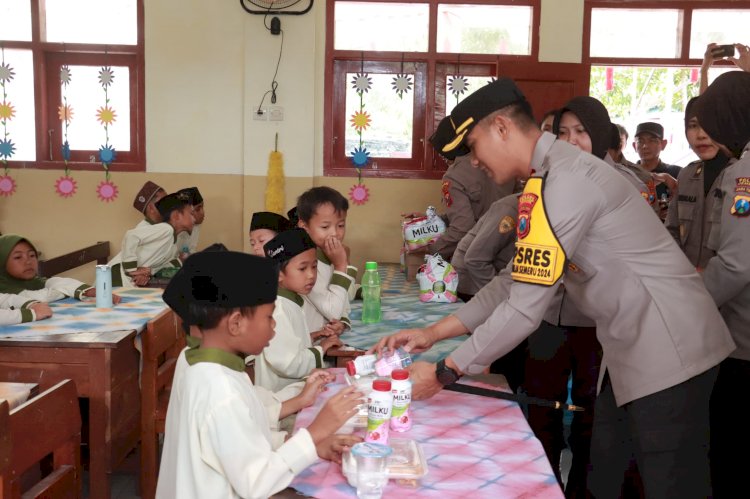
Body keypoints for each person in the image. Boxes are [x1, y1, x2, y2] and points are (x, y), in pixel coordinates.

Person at [372, 78, 734, 498]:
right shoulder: (546, 180)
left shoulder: (567, 182)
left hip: (672, 350)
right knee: (606, 480)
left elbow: (525, 308)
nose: (473, 162)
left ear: (502, 128)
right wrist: (433, 334)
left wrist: (445, 370)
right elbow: (513, 279)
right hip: (633, 351)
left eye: (473, 146)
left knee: (666, 486)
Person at [155, 250, 363, 499]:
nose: (274, 325)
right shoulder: (221, 390)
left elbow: (239, 434)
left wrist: (312, 447)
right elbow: (257, 482)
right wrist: (316, 432)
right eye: (268, 317)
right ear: (235, 324)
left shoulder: (197, 360)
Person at [694, 70, 750, 498]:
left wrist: (688, 305)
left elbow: (734, 264)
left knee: (729, 453)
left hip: (742, 342)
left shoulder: (743, 174)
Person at [254, 228, 343, 392]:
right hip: (281, 400)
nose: (311, 275)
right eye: (302, 268)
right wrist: (321, 348)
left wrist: (311, 337)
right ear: (279, 274)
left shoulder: (291, 300)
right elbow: (288, 363)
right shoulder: (277, 309)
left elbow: (286, 343)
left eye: (314, 267)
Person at [426, 118, 515, 261]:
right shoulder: (504, 160)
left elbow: (462, 228)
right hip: (510, 251)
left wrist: (431, 250)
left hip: (478, 256)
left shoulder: (454, 176)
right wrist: (433, 219)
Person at [665, 97, 730, 270]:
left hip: (731, 291)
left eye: (710, 124)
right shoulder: (687, 174)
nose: (701, 134)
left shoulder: (741, 176)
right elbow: (671, 231)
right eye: (693, 125)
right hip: (685, 284)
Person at [296, 186, 355, 334]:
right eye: (325, 226)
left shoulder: (331, 255)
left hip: (325, 338)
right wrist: (341, 265)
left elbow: (344, 303)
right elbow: (333, 312)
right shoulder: (304, 264)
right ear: (304, 227)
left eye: (341, 225)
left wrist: (342, 322)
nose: (335, 233)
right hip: (307, 345)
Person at [0, 234, 119, 304]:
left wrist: (90, 291)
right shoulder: (4, 288)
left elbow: (55, 282)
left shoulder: (30, 281)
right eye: (17, 257)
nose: (28, 261)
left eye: (32, 255)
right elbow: (41, 297)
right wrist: (66, 291)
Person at [109, 193, 194, 287]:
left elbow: (159, 266)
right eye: (191, 214)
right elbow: (131, 236)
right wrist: (132, 270)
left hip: (128, 279)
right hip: (117, 275)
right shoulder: (166, 229)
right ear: (176, 216)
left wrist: (146, 274)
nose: (194, 218)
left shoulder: (172, 242)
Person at [632, 121, 681, 209]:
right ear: (634, 146)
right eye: (640, 141)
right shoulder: (628, 174)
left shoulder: (677, 173)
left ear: (663, 144)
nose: (645, 146)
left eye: (652, 140)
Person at [175, 187, 204, 259]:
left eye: (203, 207)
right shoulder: (169, 230)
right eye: (197, 209)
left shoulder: (195, 225)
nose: (202, 213)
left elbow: (191, 250)